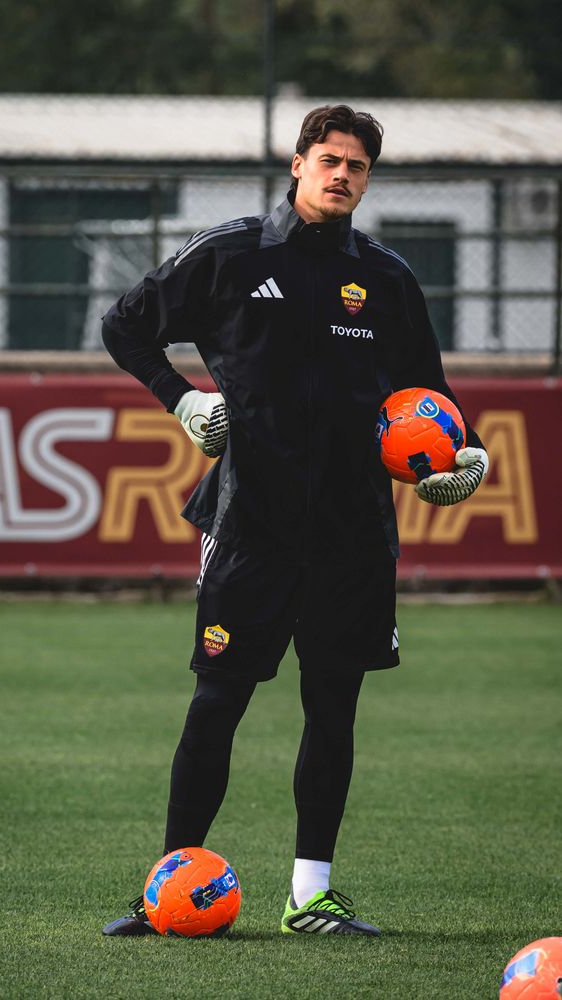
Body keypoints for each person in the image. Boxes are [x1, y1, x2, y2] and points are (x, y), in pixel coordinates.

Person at [100, 104, 489, 937]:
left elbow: (431, 390)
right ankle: (166, 887)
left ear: (368, 178)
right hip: (250, 525)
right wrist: (180, 399)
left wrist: (471, 454)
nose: (342, 173)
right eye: (329, 158)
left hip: (353, 533)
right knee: (217, 704)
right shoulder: (233, 253)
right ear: (298, 162)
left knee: (333, 707)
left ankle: (310, 897)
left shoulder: (386, 277)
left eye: (358, 164)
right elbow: (125, 326)